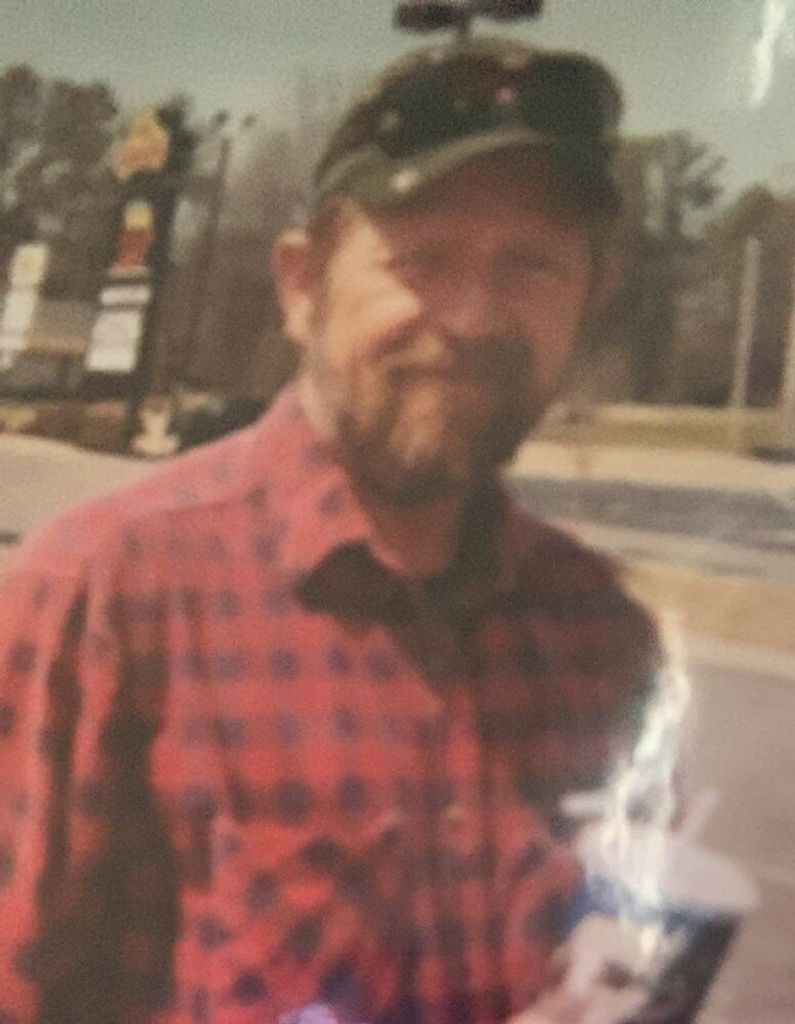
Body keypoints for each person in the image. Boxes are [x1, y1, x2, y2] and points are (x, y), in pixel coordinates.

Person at [0, 37, 661, 1024]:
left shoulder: (603, 635)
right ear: (302, 287)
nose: (470, 318)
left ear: (587, 301)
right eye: (419, 261)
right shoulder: (103, 595)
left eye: (528, 267)